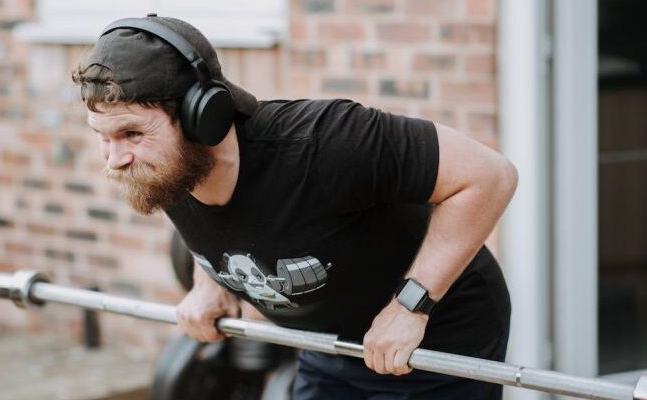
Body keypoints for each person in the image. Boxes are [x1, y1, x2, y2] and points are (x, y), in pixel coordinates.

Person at [72, 14, 518, 400]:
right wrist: (208, 280)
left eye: (131, 134)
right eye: (103, 137)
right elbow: (215, 221)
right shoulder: (164, 169)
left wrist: (410, 307)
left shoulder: (326, 144)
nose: (115, 159)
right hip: (328, 342)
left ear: (201, 119)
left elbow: (489, 176)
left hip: (434, 335)